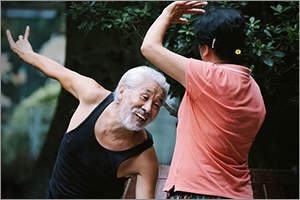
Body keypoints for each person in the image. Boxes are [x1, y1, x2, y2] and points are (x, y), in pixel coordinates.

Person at [6, 26, 170, 199]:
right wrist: (28, 55)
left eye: (157, 105)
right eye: (145, 97)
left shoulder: (144, 156)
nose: (148, 108)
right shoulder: (93, 97)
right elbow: (60, 72)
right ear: (122, 92)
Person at [141, 1, 266, 199]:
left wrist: (166, 14)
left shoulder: (207, 77)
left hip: (197, 191)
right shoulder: (254, 89)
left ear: (206, 49)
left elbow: (149, 47)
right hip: (240, 194)